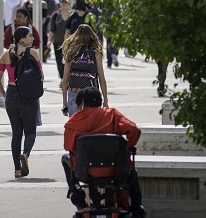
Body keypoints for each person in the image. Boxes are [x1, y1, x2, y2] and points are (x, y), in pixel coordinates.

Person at [62, 87, 146, 217]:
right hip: (116, 170)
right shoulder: (112, 115)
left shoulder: (74, 121)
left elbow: (69, 146)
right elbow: (134, 130)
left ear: (83, 103)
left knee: (65, 158)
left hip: (85, 172)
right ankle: (137, 206)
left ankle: (76, 193)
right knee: (132, 170)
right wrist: (125, 148)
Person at [0, 26, 43, 178]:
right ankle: (26, 154)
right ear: (22, 38)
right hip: (28, 96)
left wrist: (5, 95)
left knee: (16, 134)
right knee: (30, 132)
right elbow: (41, 76)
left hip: (12, 94)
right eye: (30, 36)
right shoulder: (33, 53)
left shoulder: (5, 55)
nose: (33, 38)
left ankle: (17, 169)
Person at [61, 24, 109, 117]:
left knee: (75, 125)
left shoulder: (71, 52)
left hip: (74, 92)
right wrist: (105, 100)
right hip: (91, 94)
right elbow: (101, 78)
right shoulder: (95, 52)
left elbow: (65, 80)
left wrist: (64, 104)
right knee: (90, 125)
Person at [48, 0, 71, 86]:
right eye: (62, 2)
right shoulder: (55, 16)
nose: (63, 4)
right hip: (58, 42)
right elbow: (52, 30)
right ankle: (62, 79)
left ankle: (68, 79)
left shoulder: (72, 16)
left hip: (70, 43)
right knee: (59, 62)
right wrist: (49, 40)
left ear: (69, 4)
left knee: (68, 61)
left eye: (65, 2)